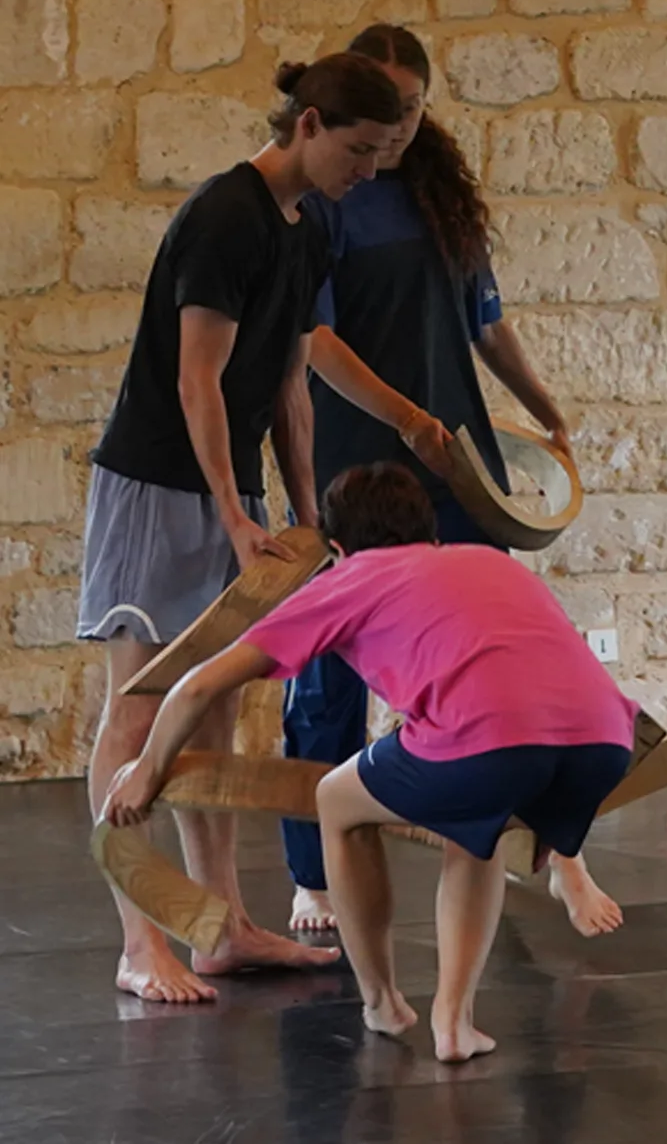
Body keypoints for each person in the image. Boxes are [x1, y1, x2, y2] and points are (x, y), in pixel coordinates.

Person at [101, 463, 637, 1064]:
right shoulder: (488, 561)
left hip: (484, 742)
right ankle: (454, 1023)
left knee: (338, 799)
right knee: (476, 827)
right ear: (429, 530)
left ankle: (382, 1001)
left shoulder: (347, 579)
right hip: (608, 743)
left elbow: (199, 687)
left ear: (337, 548)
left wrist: (148, 769)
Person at [77, 54, 406, 1003]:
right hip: (154, 485)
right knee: (139, 712)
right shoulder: (226, 215)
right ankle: (143, 940)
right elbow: (197, 380)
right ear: (307, 124)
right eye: (358, 149)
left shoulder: (312, 229)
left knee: (216, 707)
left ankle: (218, 926)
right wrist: (230, 509)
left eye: (383, 153)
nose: (369, 170)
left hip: (233, 493)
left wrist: (308, 518)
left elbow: (288, 385)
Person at [278, 24, 618, 938]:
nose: (395, 126)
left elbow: (485, 318)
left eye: (413, 107)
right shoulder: (330, 199)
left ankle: (542, 848)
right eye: (380, 108)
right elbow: (315, 343)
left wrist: (542, 402)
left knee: (501, 651)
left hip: (460, 460)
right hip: (361, 464)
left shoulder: (438, 198)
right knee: (330, 677)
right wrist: (404, 419)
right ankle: (312, 871)